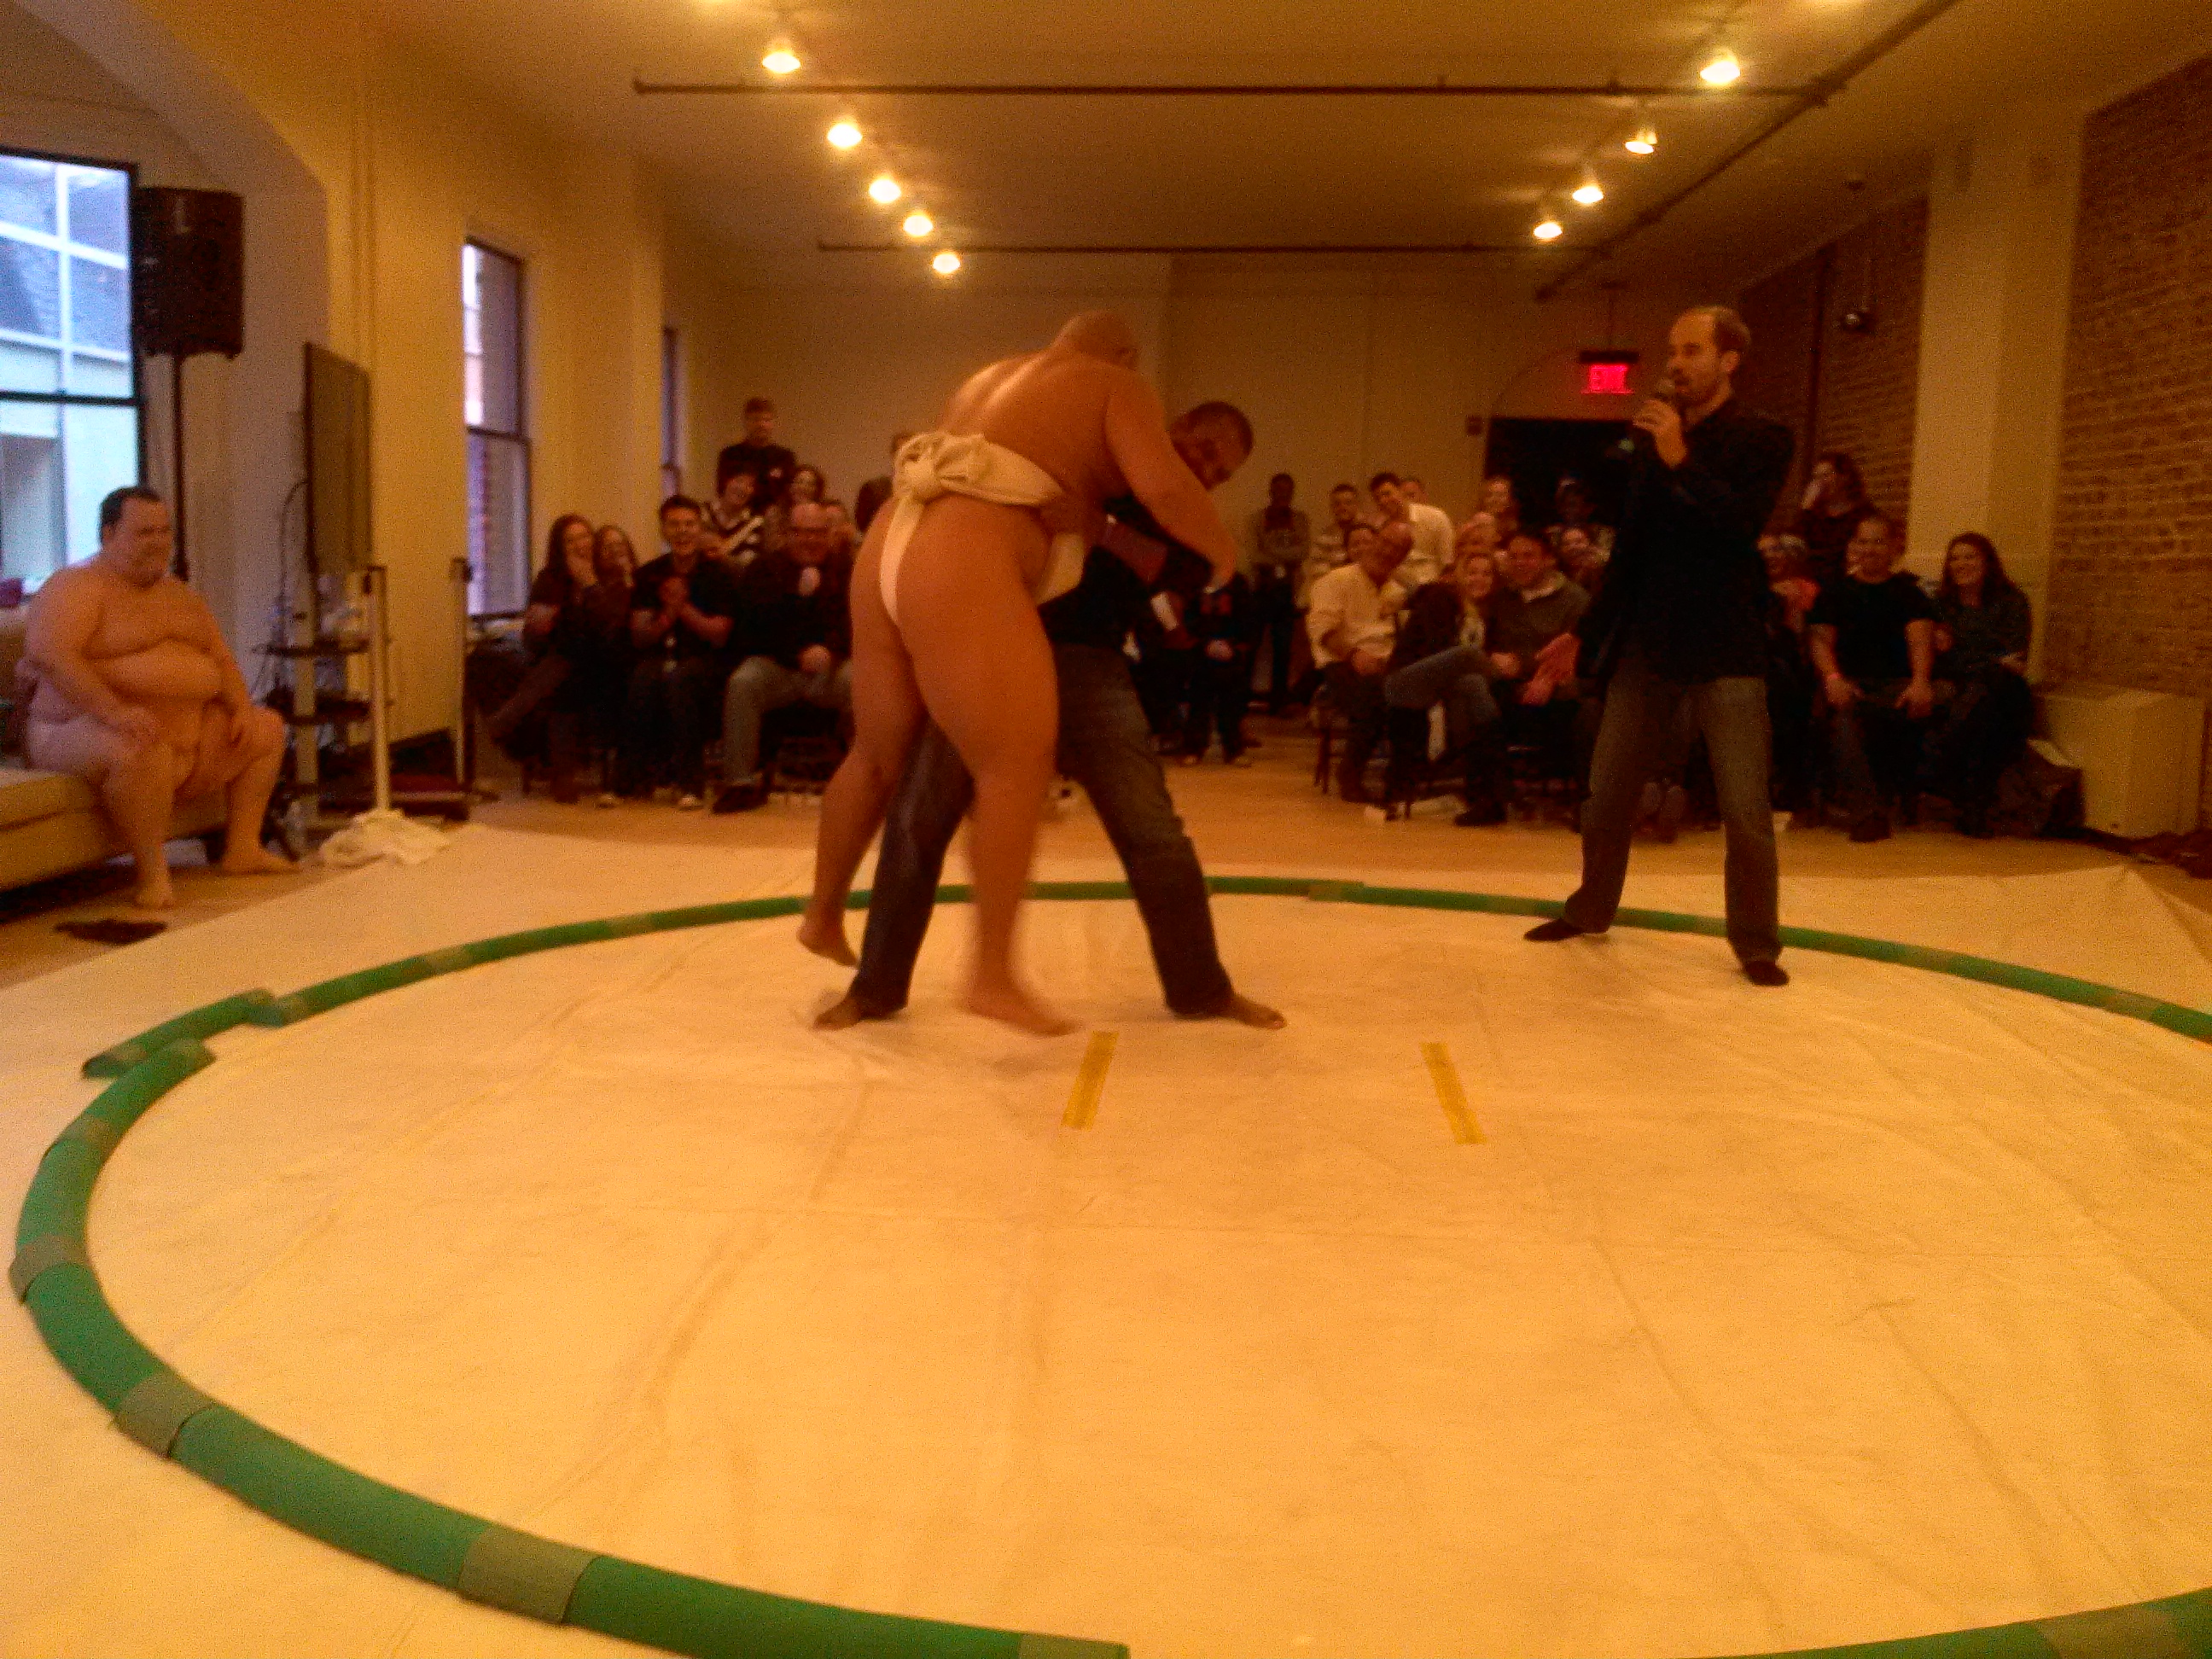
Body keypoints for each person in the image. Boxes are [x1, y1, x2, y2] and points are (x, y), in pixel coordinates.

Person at [801, 312, 1243, 1035]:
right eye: (1207, 450)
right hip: (980, 619)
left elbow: (1186, 571)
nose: (1209, 470)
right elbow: (1171, 499)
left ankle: (1202, 988)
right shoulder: (1119, 407)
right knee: (957, 795)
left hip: (1002, 609)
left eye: (1222, 473)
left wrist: (1101, 529)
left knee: (1149, 829)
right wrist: (1226, 550)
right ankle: (946, 977)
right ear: (1171, 412)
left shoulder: (990, 384)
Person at [1524, 306, 1796, 985]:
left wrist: (1681, 456)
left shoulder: (1764, 436)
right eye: (1673, 350)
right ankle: (1590, 908)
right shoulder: (1653, 439)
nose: (1676, 363)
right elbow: (1632, 552)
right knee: (1607, 792)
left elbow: (1739, 527)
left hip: (1726, 643)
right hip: (1648, 640)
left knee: (1745, 808)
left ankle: (1756, 943)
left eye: (1692, 350)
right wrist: (1584, 631)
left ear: (1728, 360)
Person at [22, 486, 292, 908]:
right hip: (74, 729)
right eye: (144, 532)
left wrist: (240, 706)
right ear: (109, 535)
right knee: (142, 747)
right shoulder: (76, 587)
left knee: (266, 728)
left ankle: (243, 848)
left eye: (164, 532)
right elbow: (51, 656)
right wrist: (114, 711)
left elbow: (219, 658)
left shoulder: (180, 595)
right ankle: (153, 875)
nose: (158, 542)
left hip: (178, 733)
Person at [1805, 511, 1936, 843]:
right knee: (1843, 717)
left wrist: (1920, 683)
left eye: (1878, 542)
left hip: (1896, 685)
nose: (1870, 549)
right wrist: (1833, 678)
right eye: (1863, 542)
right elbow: (1820, 642)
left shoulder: (1909, 594)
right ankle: (1868, 813)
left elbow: (1920, 641)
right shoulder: (1835, 592)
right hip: (1849, 683)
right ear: (1853, 546)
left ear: (1893, 547)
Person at [714, 502, 853, 812]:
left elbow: (856, 623)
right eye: (802, 532)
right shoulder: (762, 569)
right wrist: (796, 649)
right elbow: (753, 628)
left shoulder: (847, 569)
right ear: (788, 534)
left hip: (831, 667)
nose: (810, 540)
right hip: (778, 665)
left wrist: (829, 650)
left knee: (863, 684)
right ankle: (739, 783)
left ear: (828, 534)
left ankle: (866, 783)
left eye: (817, 532)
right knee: (743, 682)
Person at [492, 514, 632, 803]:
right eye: (571, 540)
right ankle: (564, 776)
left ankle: (512, 718)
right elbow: (533, 642)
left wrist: (590, 585)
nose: (580, 545)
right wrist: (538, 627)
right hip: (567, 663)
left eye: (585, 537)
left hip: (607, 661)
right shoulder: (550, 579)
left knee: (564, 666)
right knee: (564, 678)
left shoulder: (607, 573)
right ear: (559, 547)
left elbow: (611, 626)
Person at [619, 496, 742, 810]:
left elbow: (719, 634)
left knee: (680, 680)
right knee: (642, 678)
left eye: (689, 524)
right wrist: (667, 616)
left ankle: (690, 783)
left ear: (700, 529)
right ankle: (632, 780)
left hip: (707, 660)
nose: (682, 532)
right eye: (674, 525)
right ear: (663, 530)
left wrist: (681, 607)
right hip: (659, 655)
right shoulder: (649, 574)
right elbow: (639, 635)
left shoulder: (719, 574)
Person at [1382, 549, 1506, 825]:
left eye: (1487, 574)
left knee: (1474, 683)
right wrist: (1494, 665)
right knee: (1469, 656)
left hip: (1454, 688)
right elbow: (1434, 649)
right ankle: (1501, 688)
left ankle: (1489, 797)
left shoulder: (1489, 614)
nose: (1479, 579)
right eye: (1472, 572)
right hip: (1407, 681)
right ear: (1459, 575)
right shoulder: (1441, 598)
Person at [1928, 533, 2034, 839]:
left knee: (1990, 691)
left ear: (1987, 562)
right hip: (1964, 688)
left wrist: (1967, 656)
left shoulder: (2012, 602)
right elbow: (1942, 661)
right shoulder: (1941, 605)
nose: (1961, 564)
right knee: (1982, 705)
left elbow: (2016, 659)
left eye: (1970, 557)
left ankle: (1956, 781)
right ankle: (1975, 804)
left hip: (2005, 691)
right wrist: (1992, 660)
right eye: (1955, 558)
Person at [1307, 521, 1408, 803]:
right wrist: (1354, 655)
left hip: (1387, 664)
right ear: (1374, 541)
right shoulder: (1336, 581)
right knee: (1374, 691)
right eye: (1385, 542)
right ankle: (1350, 772)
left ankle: (1403, 778)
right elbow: (1322, 631)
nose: (1387, 551)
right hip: (1343, 663)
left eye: (1397, 549)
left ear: (1403, 558)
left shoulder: (1398, 591)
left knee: (1414, 690)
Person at [1761, 533, 1821, 819]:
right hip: (1757, 667)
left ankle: (1789, 789)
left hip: (1795, 666)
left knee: (1787, 687)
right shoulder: (1744, 591)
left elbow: (1803, 641)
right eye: (1763, 551)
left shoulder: (1806, 589)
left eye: (1776, 549)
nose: (1771, 556)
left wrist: (1794, 606)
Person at [1181, 570, 1257, 765]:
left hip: (1231, 650)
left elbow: (1247, 619)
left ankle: (1233, 749)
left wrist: (1232, 647)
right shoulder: (1194, 579)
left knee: (1231, 703)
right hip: (1201, 651)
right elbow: (1188, 618)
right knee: (1199, 702)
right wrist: (1205, 644)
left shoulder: (1237, 582)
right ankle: (1194, 747)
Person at [1249, 473, 1309, 715]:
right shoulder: (1257, 519)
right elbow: (1254, 555)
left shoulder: (1300, 519)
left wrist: (1270, 551)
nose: (1282, 494)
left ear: (1292, 493)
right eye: (1278, 490)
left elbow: (1302, 552)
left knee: (1283, 648)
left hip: (1288, 590)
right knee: (1251, 644)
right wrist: (1285, 556)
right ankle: (1240, 697)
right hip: (1261, 589)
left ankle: (1279, 700)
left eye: (1287, 490)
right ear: (1271, 491)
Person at [1795, 451, 1874, 588]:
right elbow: (1795, 546)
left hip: (1849, 585)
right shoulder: (1813, 515)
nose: (1820, 483)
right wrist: (1806, 507)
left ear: (1844, 477)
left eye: (1825, 475)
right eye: (1816, 478)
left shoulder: (1863, 515)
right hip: (1812, 585)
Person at [1369, 472, 1451, 594]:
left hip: (1434, 589)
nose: (1383, 501)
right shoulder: (1379, 529)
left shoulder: (1436, 518)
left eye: (1387, 494)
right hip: (1398, 593)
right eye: (1377, 499)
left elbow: (1448, 564)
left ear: (1401, 491)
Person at [717, 398, 796, 509]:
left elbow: (789, 493)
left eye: (767, 420)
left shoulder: (785, 457)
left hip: (774, 515)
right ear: (746, 422)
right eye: (756, 420)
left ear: (773, 423)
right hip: (738, 514)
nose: (761, 425)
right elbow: (723, 490)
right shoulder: (730, 455)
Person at [703, 465, 768, 570]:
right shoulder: (703, 513)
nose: (743, 489)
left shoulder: (755, 524)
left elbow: (749, 562)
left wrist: (723, 557)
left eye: (750, 485)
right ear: (726, 482)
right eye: (739, 481)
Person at [853, 433, 913, 537]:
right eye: (901, 451)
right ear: (893, 455)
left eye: (911, 452)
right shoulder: (873, 489)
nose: (906, 457)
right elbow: (862, 525)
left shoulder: (926, 490)